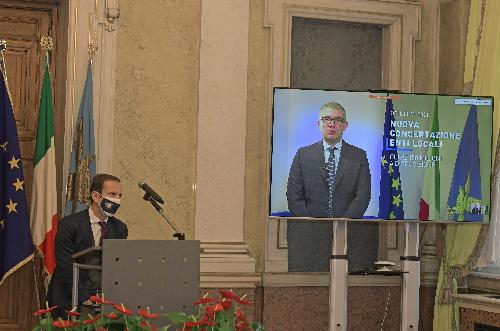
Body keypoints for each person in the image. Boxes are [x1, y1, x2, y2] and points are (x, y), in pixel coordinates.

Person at [286, 101, 371, 271]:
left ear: (345, 126)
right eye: (327, 119)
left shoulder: (358, 156)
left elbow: (363, 195)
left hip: (348, 235)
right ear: (319, 124)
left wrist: (343, 224)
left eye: (337, 120)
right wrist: (312, 225)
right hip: (308, 236)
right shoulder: (303, 155)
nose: (332, 123)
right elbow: (294, 195)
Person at [47, 174, 128, 317]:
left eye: (120, 195)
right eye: (112, 194)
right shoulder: (69, 225)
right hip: (69, 297)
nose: (117, 200)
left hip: (103, 300)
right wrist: (86, 299)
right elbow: (65, 266)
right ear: (96, 197)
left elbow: (116, 265)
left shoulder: (120, 228)